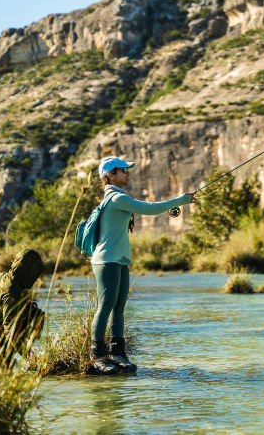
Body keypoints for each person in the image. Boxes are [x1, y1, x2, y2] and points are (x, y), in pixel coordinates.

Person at [89, 156, 196, 375]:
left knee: (119, 307)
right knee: (106, 306)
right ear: (110, 175)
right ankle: (97, 357)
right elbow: (150, 209)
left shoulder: (121, 197)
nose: (128, 173)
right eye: (123, 170)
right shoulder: (115, 198)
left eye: (127, 170)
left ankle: (118, 354)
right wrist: (181, 200)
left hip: (119, 260)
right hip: (106, 260)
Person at [0, 249, 45, 365]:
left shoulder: (0, 277)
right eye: (34, 274)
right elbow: (12, 335)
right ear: (28, 271)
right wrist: (35, 361)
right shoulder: (12, 292)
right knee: (36, 315)